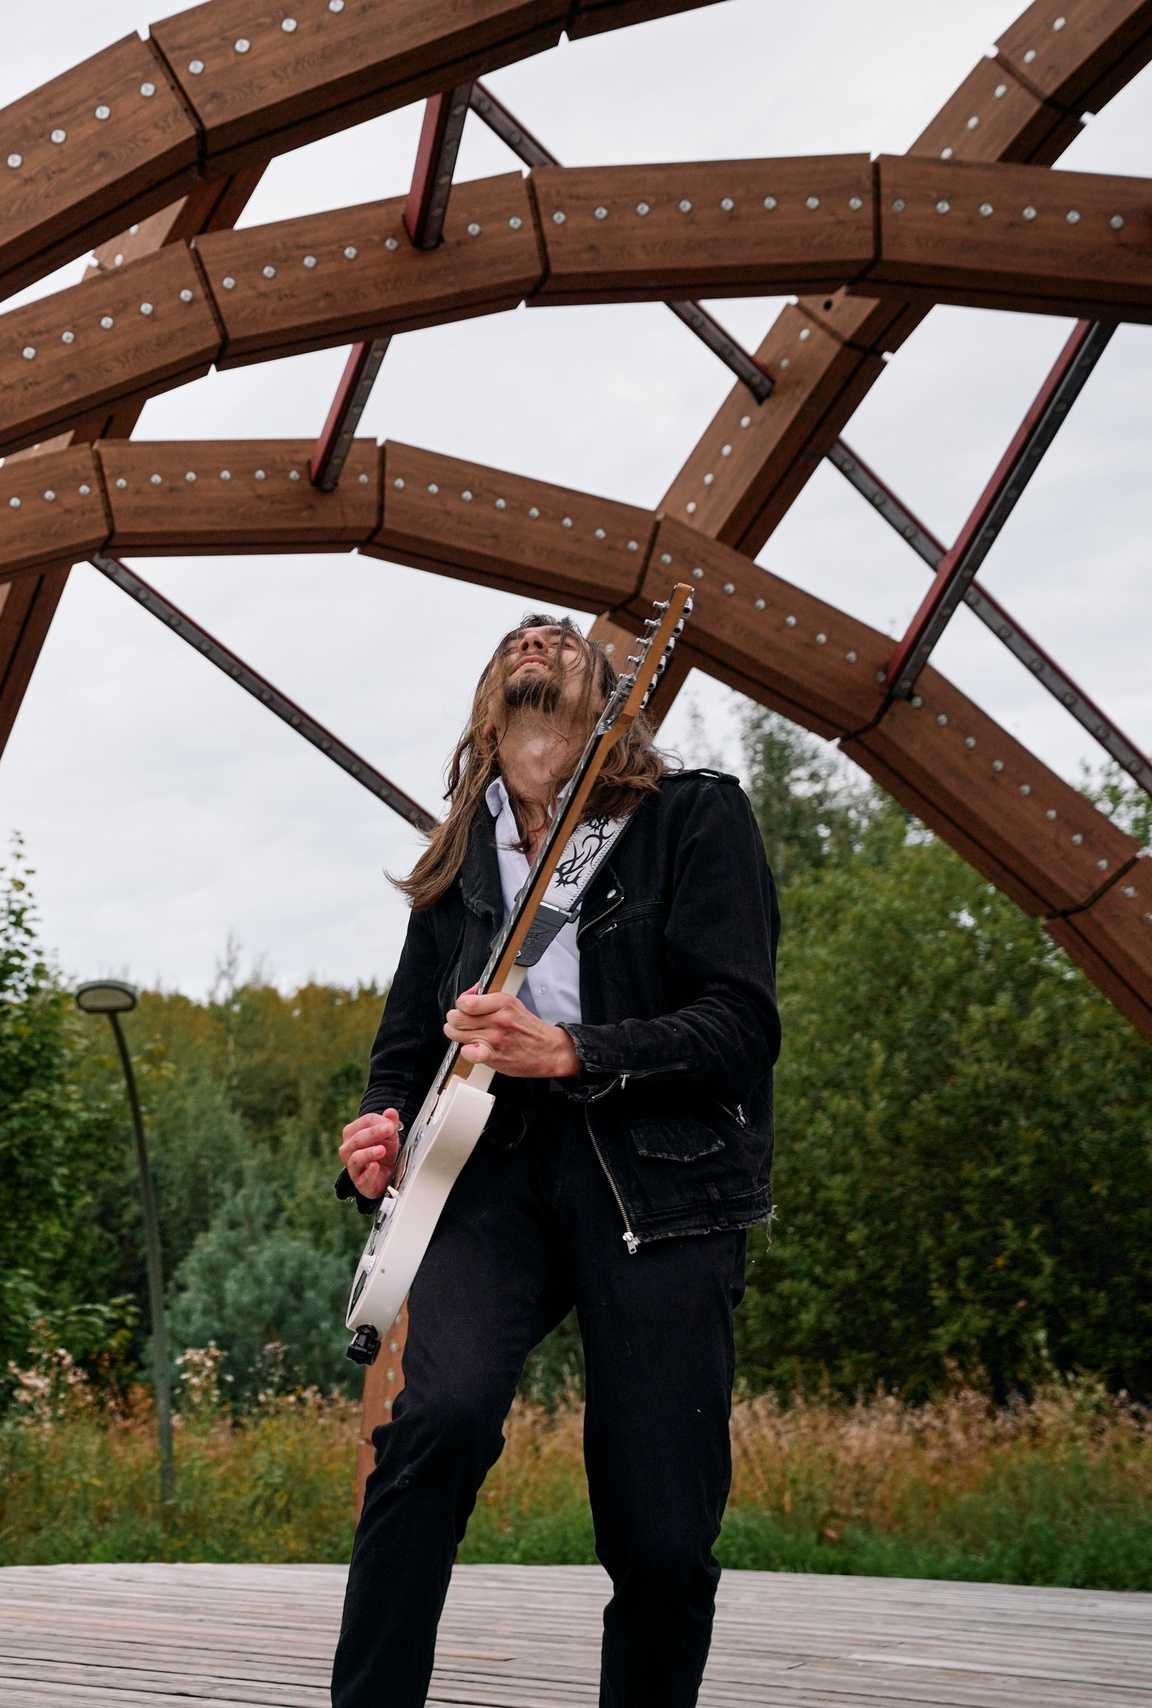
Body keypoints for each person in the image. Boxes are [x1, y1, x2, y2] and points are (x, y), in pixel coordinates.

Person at [330, 613, 779, 1708]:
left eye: (561, 638)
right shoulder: (457, 859)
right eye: (516, 638)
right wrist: (376, 1135)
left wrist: (573, 1049)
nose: (537, 638)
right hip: (494, 1174)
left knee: (663, 1526)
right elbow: (403, 1051)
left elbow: (738, 1027)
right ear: (489, 705)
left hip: (659, 1177)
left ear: (609, 693)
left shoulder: (693, 816)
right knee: (432, 1426)